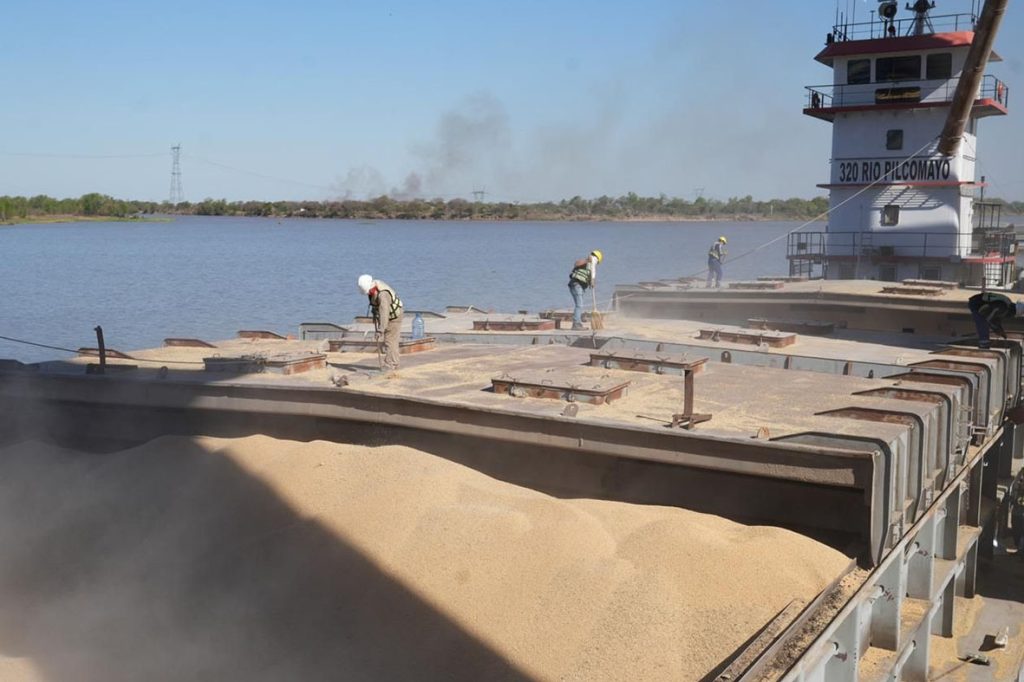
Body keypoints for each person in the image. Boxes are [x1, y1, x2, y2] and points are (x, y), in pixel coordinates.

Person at [357, 274, 403, 372]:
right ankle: (395, 364)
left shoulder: (383, 295)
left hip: (394, 316)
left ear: (371, 287)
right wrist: (374, 313)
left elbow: (384, 313)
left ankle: (390, 365)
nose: (367, 294)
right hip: (388, 316)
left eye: (368, 291)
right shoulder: (373, 291)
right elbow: (376, 306)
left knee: (390, 341)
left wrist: (380, 330)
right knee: (391, 341)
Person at [568, 250, 603, 330]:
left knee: (578, 305)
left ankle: (578, 322)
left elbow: (591, 274)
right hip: (576, 285)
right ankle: (576, 324)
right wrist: (587, 260)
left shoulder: (590, 266)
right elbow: (576, 263)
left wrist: (591, 282)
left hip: (576, 286)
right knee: (579, 305)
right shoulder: (586, 262)